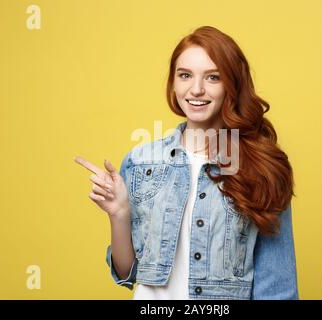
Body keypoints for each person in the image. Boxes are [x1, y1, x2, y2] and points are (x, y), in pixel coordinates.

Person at [74, 26, 298, 300]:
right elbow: (127, 274)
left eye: (213, 77)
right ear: (173, 82)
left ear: (232, 84)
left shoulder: (261, 168)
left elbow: (278, 288)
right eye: (185, 75)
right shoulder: (141, 162)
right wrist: (118, 214)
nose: (197, 89)